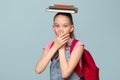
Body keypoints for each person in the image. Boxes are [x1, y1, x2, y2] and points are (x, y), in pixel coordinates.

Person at [35, 12, 84, 80]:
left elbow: (65, 74)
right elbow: (38, 70)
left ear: (71, 28)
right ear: (53, 28)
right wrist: (55, 46)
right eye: (57, 26)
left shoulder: (78, 45)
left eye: (65, 26)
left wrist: (61, 47)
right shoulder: (50, 45)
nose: (61, 30)